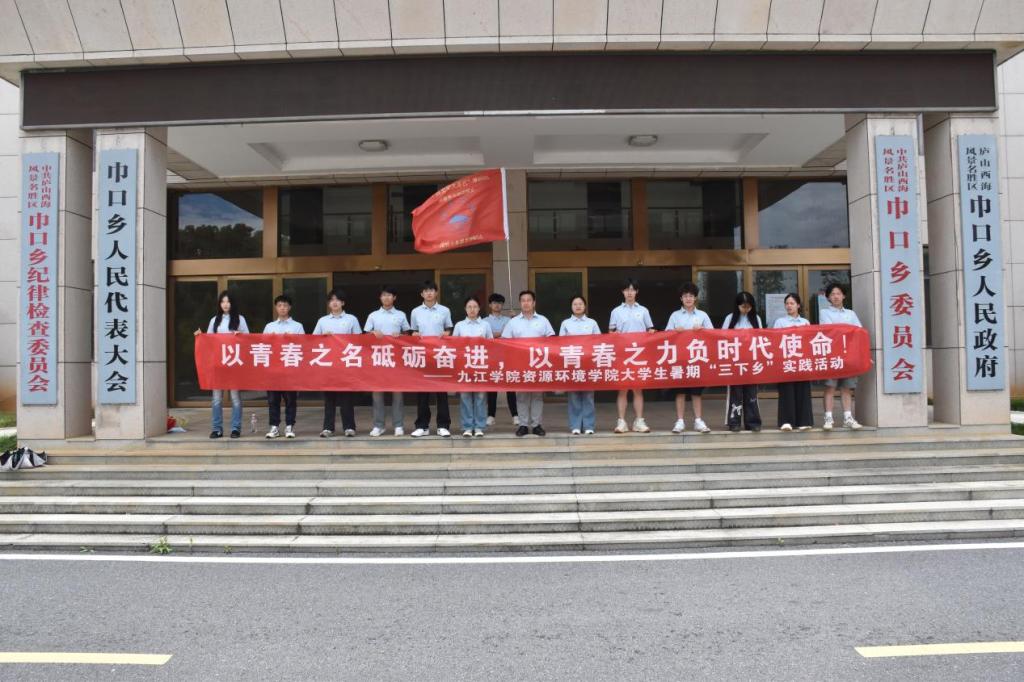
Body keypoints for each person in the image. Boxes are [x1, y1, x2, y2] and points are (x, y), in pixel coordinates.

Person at [194, 290, 248, 439]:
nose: (225, 304)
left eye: (228, 301)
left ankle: (235, 428)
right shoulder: (214, 320)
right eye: (223, 301)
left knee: (235, 397)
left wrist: (240, 336)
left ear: (232, 303)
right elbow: (209, 340)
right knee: (216, 398)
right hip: (218, 364)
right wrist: (200, 336)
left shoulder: (240, 319)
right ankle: (217, 429)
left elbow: (248, 339)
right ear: (219, 304)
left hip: (233, 363)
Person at [503, 290, 556, 437]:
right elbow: (505, 342)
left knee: (537, 395)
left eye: (529, 300)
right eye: (523, 300)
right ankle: (523, 425)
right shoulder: (513, 322)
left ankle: (537, 424)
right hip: (520, 363)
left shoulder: (543, 320)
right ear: (520, 303)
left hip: (539, 363)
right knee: (521, 396)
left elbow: (552, 340)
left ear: (534, 303)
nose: (526, 303)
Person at [608, 278, 656, 434]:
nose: (629, 292)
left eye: (632, 289)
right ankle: (621, 421)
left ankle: (639, 421)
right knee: (622, 389)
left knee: (637, 389)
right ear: (623, 292)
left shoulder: (644, 310)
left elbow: (650, 329)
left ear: (637, 292)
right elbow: (610, 332)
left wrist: (651, 333)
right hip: (622, 354)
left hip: (639, 354)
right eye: (627, 289)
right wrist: (614, 334)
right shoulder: (616, 311)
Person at [313, 288, 361, 438]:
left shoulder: (351, 319)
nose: (334, 302)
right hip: (328, 365)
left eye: (337, 300)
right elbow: (313, 340)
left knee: (346, 398)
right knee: (329, 399)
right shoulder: (322, 321)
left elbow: (359, 340)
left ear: (343, 303)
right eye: (332, 300)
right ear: (329, 303)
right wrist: (323, 336)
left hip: (345, 364)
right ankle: (328, 428)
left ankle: (349, 427)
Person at [363, 285, 410, 437]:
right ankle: (379, 425)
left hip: (396, 360)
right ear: (380, 297)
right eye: (384, 295)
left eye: (389, 295)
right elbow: (364, 336)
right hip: (378, 359)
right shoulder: (373, 315)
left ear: (394, 297)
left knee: (398, 394)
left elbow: (408, 336)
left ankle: (398, 425)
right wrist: (372, 333)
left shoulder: (401, 315)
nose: (386, 297)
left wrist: (401, 335)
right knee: (377, 394)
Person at [667, 281, 714, 434]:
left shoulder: (702, 315)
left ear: (695, 298)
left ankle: (698, 420)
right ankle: (680, 421)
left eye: (691, 296)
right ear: (681, 298)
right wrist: (675, 331)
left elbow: (713, 334)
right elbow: (665, 335)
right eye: (685, 296)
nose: (688, 298)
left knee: (696, 392)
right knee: (680, 391)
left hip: (696, 358)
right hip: (679, 358)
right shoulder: (675, 315)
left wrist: (702, 330)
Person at [410, 280, 454, 438]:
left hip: (439, 356)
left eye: (431, 290)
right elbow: (412, 331)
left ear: (436, 293)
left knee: (441, 392)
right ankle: (422, 426)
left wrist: (447, 333)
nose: (429, 293)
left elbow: (449, 329)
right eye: (426, 290)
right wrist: (414, 334)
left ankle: (443, 425)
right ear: (422, 294)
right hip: (422, 356)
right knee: (422, 393)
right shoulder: (415, 312)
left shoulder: (444, 310)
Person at [819, 282, 863, 430]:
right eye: (832, 294)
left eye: (838, 293)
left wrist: (845, 331)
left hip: (849, 355)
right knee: (830, 387)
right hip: (832, 355)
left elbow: (859, 332)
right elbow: (829, 331)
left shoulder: (851, 313)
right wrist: (847, 330)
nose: (836, 296)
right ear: (828, 297)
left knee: (847, 388)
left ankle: (848, 418)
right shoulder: (824, 312)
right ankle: (828, 418)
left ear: (843, 296)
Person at [263, 294, 304, 439]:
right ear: (276, 307)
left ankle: (289, 426)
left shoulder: (297, 326)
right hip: (273, 369)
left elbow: (304, 346)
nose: (282, 308)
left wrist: (292, 339)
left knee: (290, 399)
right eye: (279, 305)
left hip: (290, 369)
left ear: (289, 307)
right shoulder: (269, 327)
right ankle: (274, 427)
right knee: (272, 400)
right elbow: (262, 346)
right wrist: (271, 340)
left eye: (285, 305)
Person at [722, 291, 763, 433]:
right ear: (737, 306)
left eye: (748, 307)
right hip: (735, 361)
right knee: (735, 393)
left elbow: (761, 338)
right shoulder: (730, 318)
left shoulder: (756, 318)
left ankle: (753, 422)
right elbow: (722, 337)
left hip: (751, 361)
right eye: (743, 306)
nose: (746, 309)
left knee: (751, 393)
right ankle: (734, 422)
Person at [560, 295, 600, 435]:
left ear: (585, 306)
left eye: (580, 303)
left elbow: (599, 341)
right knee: (574, 396)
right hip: (572, 363)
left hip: (588, 363)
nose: (578, 306)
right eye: (575, 304)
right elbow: (560, 344)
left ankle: (589, 425)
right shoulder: (565, 323)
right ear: (571, 307)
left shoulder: (592, 323)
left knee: (588, 396)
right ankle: (575, 425)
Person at [453, 296, 493, 437]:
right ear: (465, 309)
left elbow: (491, 345)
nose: (472, 309)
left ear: (479, 308)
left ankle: (479, 426)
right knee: (465, 397)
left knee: (480, 397)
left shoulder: (485, 325)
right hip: (464, 366)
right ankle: (467, 427)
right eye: (469, 307)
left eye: (475, 307)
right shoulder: (459, 326)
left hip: (481, 365)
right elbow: (454, 346)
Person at [773, 293, 814, 432]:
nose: (789, 306)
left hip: (802, 361)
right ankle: (786, 421)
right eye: (787, 303)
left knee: (802, 391)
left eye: (792, 303)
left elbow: (809, 341)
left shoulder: (805, 322)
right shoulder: (780, 322)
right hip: (786, 361)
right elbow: (775, 341)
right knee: (787, 391)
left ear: (798, 305)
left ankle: (804, 421)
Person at [484, 293, 519, 427]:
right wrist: (501, 333)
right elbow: (488, 337)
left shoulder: (509, 320)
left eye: (499, 303)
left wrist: (515, 319)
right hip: (491, 357)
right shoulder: (484, 321)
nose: (497, 305)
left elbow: (513, 335)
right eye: (494, 302)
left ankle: (515, 415)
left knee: (510, 387)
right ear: (490, 305)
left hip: (507, 356)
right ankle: (491, 415)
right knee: (492, 388)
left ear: (502, 305)